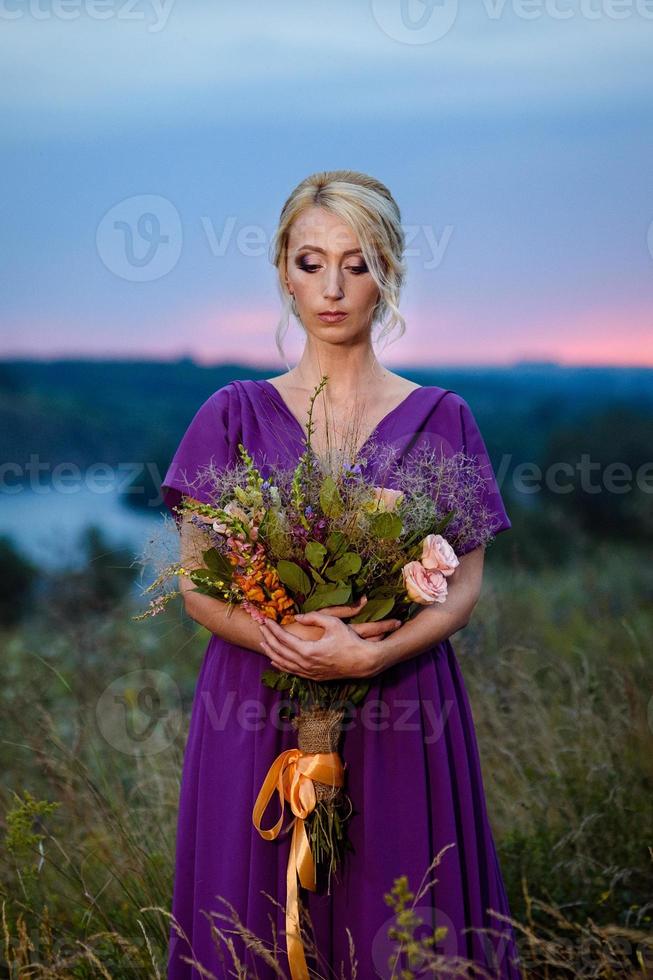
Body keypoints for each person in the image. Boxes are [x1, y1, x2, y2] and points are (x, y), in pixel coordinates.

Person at [162, 170, 522, 979]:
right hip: (257, 702)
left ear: (388, 272)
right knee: (250, 920)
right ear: (281, 271)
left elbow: (461, 587)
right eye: (309, 262)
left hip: (400, 700)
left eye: (356, 265)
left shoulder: (443, 418)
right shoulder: (230, 415)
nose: (331, 288)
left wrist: (368, 656)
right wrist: (283, 640)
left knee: (396, 906)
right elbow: (193, 583)